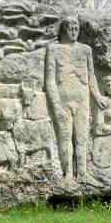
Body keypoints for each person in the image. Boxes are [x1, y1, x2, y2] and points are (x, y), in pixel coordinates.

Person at [45, 17, 106, 183]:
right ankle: (68, 174)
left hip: (82, 99)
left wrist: (97, 95)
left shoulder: (85, 50)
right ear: (63, 29)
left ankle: (83, 173)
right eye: (70, 28)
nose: (73, 31)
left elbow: (91, 75)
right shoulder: (53, 49)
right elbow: (50, 80)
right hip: (63, 100)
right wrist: (56, 106)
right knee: (65, 137)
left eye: (76, 28)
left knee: (82, 137)